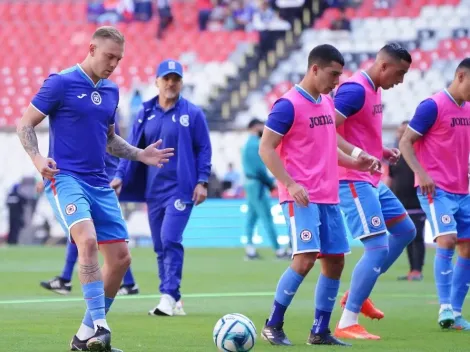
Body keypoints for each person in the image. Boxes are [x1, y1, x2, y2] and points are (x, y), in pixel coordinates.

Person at [16, 26, 174, 352]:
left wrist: (140, 154)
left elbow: (110, 139)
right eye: (109, 56)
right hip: (66, 178)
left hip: (99, 184)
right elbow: (24, 123)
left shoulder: (112, 92)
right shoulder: (60, 83)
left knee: (120, 260)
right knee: (86, 241)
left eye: (118, 58)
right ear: (91, 49)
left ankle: (83, 338)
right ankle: (101, 325)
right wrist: (36, 158)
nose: (114, 63)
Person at [259, 44, 378, 346]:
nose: (337, 81)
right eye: (333, 74)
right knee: (305, 259)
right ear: (314, 69)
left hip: (328, 196)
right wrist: (290, 183)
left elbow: (328, 148)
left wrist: (356, 160)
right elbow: (266, 148)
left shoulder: (326, 103)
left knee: (335, 261)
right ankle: (273, 324)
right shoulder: (287, 105)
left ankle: (320, 330)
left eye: (339, 75)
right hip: (300, 197)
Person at [111, 58, 212, 317]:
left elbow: (204, 149)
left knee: (170, 239)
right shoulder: (145, 112)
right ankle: (172, 299)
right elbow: (131, 147)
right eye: (166, 78)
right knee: (159, 245)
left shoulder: (193, 113)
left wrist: (202, 181)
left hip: (181, 188)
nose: (171, 83)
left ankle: (168, 295)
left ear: (181, 82)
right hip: (153, 189)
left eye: (175, 79)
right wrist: (121, 175)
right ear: (156, 82)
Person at [333, 43, 417, 340]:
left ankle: (359, 290)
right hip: (350, 180)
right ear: (384, 66)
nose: (402, 80)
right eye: (401, 72)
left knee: (406, 231)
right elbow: (327, 128)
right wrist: (357, 153)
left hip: (370, 179)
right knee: (377, 246)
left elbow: (357, 130)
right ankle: (347, 320)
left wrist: (380, 151)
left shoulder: (374, 90)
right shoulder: (354, 90)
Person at [399, 58, 470, 330]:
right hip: (435, 189)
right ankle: (444, 307)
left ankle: (457, 312)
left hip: (462, 189)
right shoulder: (433, 106)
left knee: (467, 246)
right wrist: (422, 174)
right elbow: (406, 142)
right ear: (461, 75)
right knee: (448, 239)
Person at [39, 123, 140, 296]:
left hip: (102, 182)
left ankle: (66, 279)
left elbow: (118, 145)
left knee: (90, 234)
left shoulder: (101, 119)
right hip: (92, 180)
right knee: (85, 233)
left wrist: (118, 176)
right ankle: (127, 283)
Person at [241, 118, 288, 260]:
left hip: (250, 183)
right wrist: (270, 183)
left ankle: (249, 249)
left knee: (251, 217)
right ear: (255, 127)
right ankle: (278, 250)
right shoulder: (255, 144)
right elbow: (259, 170)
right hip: (257, 185)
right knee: (266, 217)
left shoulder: (248, 144)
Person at [387, 121, 426, 281]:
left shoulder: (417, 155)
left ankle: (417, 270)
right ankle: (412, 271)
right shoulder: (394, 157)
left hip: (416, 203)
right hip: (400, 203)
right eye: (399, 132)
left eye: (404, 132)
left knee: (417, 237)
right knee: (407, 236)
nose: (400, 135)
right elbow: (390, 179)